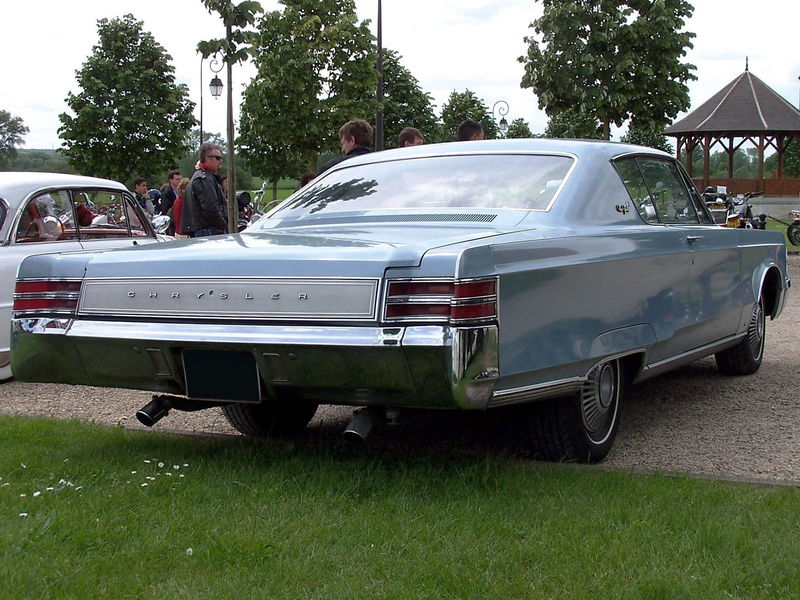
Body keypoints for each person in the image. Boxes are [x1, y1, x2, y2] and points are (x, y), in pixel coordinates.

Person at [180, 143, 228, 237]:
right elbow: (211, 208)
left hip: (204, 230)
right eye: (217, 158)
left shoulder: (202, 177)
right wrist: (224, 226)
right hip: (208, 231)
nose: (220, 161)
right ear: (207, 158)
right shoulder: (204, 179)